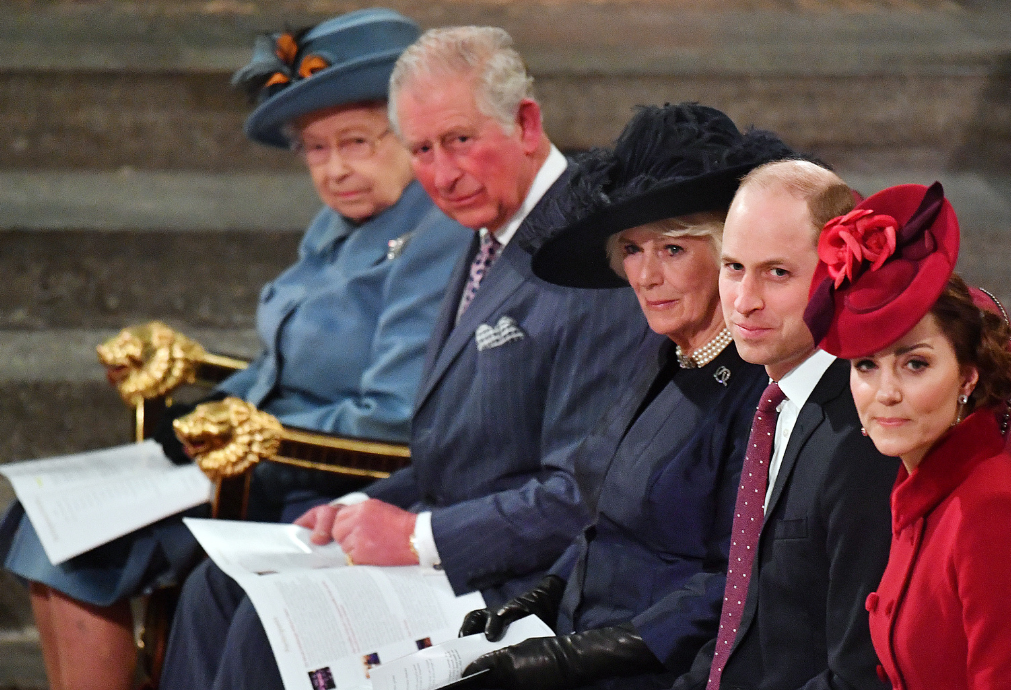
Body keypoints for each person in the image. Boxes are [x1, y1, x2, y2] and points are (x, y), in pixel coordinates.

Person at [157, 25, 651, 690]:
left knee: (270, 625)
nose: (443, 175)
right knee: (215, 589)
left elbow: (582, 496)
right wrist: (354, 507)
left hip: (536, 580)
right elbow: (456, 456)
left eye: (461, 140)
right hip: (456, 538)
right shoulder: (485, 228)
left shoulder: (588, 257)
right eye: (421, 149)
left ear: (526, 124)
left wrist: (418, 537)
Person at [0, 9, 469, 690]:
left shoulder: (437, 233)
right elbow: (282, 366)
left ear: (412, 132)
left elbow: (394, 416)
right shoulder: (338, 223)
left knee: (75, 545)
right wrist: (209, 410)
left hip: (321, 474)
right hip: (256, 454)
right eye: (315, 148)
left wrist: (250, 437)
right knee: (43, 518)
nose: (336, 168)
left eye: (357, 141)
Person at [453, 104, 804, 690]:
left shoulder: (760, 390)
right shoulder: (664, 355)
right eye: (633, 250)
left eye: (673, 249)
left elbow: (737, 580)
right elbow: (608, 522)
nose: (645, 276)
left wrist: (577, 657)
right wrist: (543, 595)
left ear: (728, 256)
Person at [804, 181, 1011, 690]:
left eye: (915, 364)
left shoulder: (996, 514)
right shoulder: (922, 488)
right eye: (866, 366)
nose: (886, 393)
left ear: (968, 376)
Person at [672, 159, 899, 690]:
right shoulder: (774, 398)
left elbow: (858, 674)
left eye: (778, 273)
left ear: (839, 277)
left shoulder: (866, 433)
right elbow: (743, 621)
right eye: (733, 267)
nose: (744, 301)